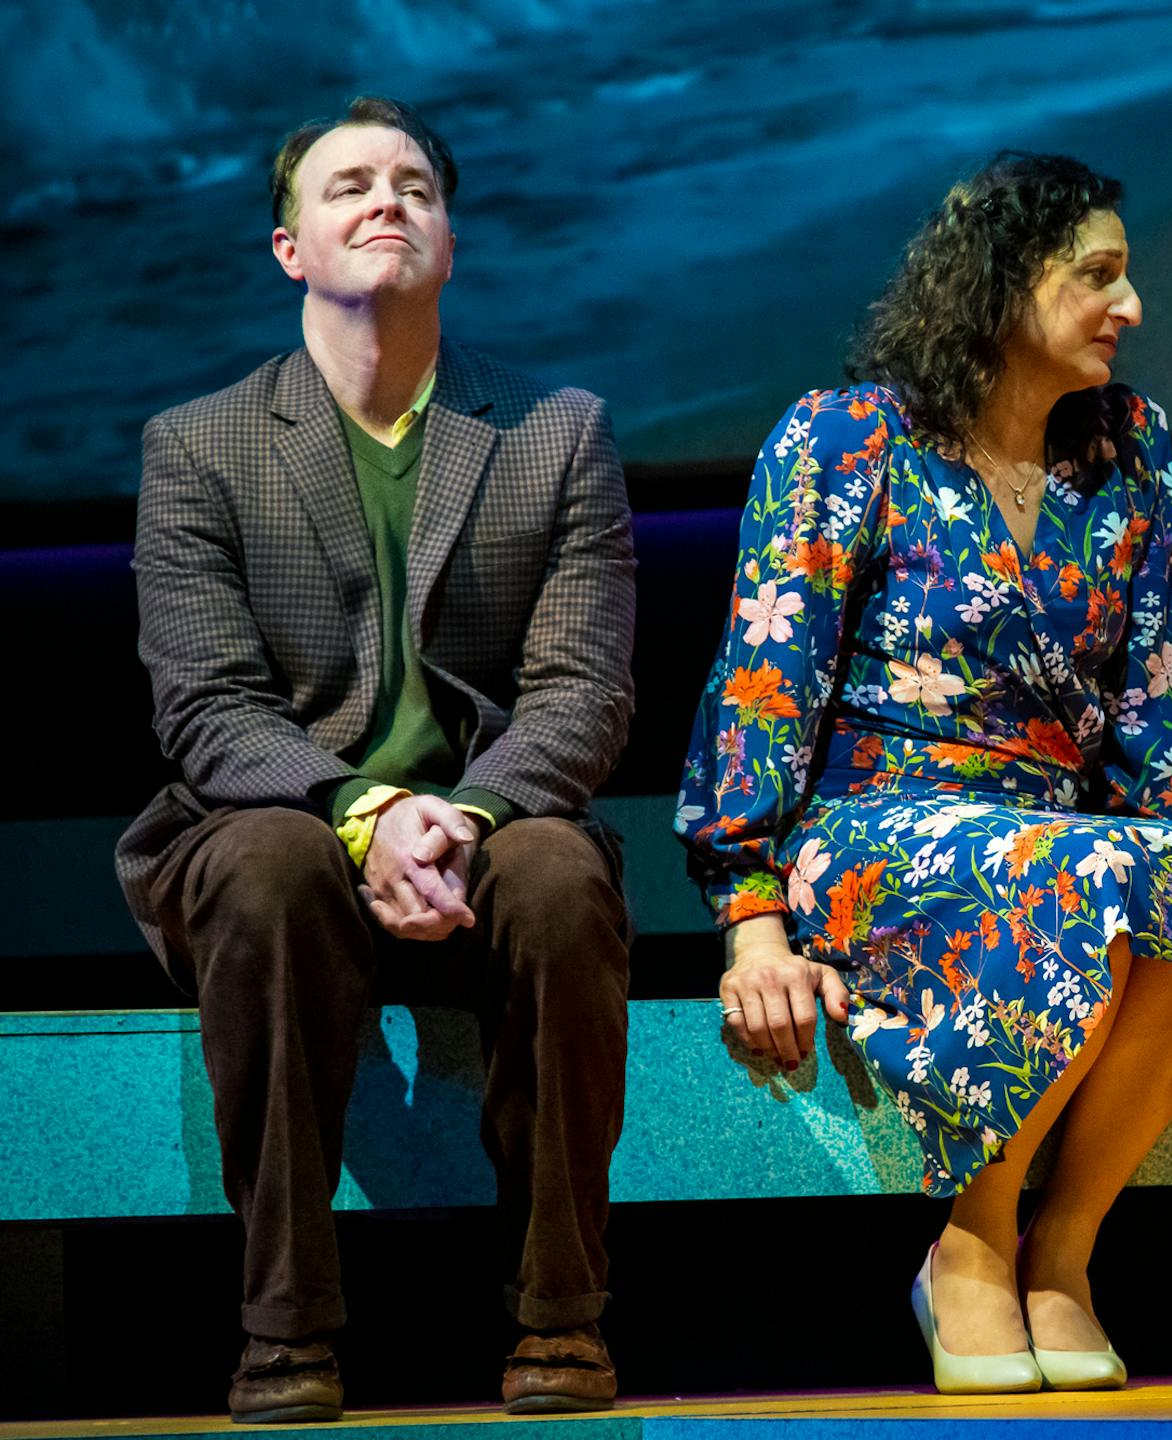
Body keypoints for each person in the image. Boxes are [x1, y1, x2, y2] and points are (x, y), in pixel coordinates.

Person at [676, 151, 1172, 1395]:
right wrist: (751, 923)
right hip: (871, 827)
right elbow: (763, 679)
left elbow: (1164, 688)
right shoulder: (846, 438)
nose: (1132, 309)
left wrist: (1165, 884)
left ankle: (1061, 1252)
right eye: (1100, 277)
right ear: (1007, 283)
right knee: (1076, 871)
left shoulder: (1131, 449)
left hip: (1055, 833)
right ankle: (970, 1244)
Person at [114, 95, 636, 1420]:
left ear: (451, 241)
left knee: (562, 882)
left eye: (415, 185)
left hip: (485, 825)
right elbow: (211, 709)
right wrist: (364, 815)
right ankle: (284, 1326)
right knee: (276, 867)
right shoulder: (199, 448)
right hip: (278, 819)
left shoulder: (553, 430)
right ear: (290, 245)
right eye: (349, 185)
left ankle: (560, 1317)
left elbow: (579, 693)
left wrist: (455, 817)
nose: (387, 200)